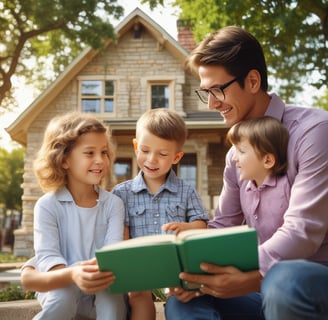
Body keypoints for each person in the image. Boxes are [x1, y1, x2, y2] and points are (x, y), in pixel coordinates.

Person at [165, 25, 328, 320]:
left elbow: (303, 232)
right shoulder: (235, 157)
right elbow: (223, 226)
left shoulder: (314, 133)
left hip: (312, 282)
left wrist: (254, 275)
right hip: (264, 289)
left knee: (283, 280)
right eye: (207, 93)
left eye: (218, 90)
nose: (213, 103)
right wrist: (189, 269)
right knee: (184, 301)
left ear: (252, 80)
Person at [112, 108, 209, 320]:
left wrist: (187, 227)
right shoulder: (122, 192)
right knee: (137, 293)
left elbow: (202, 225)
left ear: (176, 157)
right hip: (139, 263)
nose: (152, 160)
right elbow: (122, 234)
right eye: (145, 151)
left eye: (163, 154)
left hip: (177, 265)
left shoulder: (186, 190)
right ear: (136, 147)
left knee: (186, 293)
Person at [30, 112, 127, 320]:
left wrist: (95, 275)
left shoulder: (113, 204)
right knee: (63, 296)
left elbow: (112, 253)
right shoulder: (47, 206)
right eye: (89, 153)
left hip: (102, 283)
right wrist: (74, 275)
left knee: (111, 297)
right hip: (60, 283)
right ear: (64, 159)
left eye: (104, 152)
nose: (100, 160)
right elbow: (47, 257)